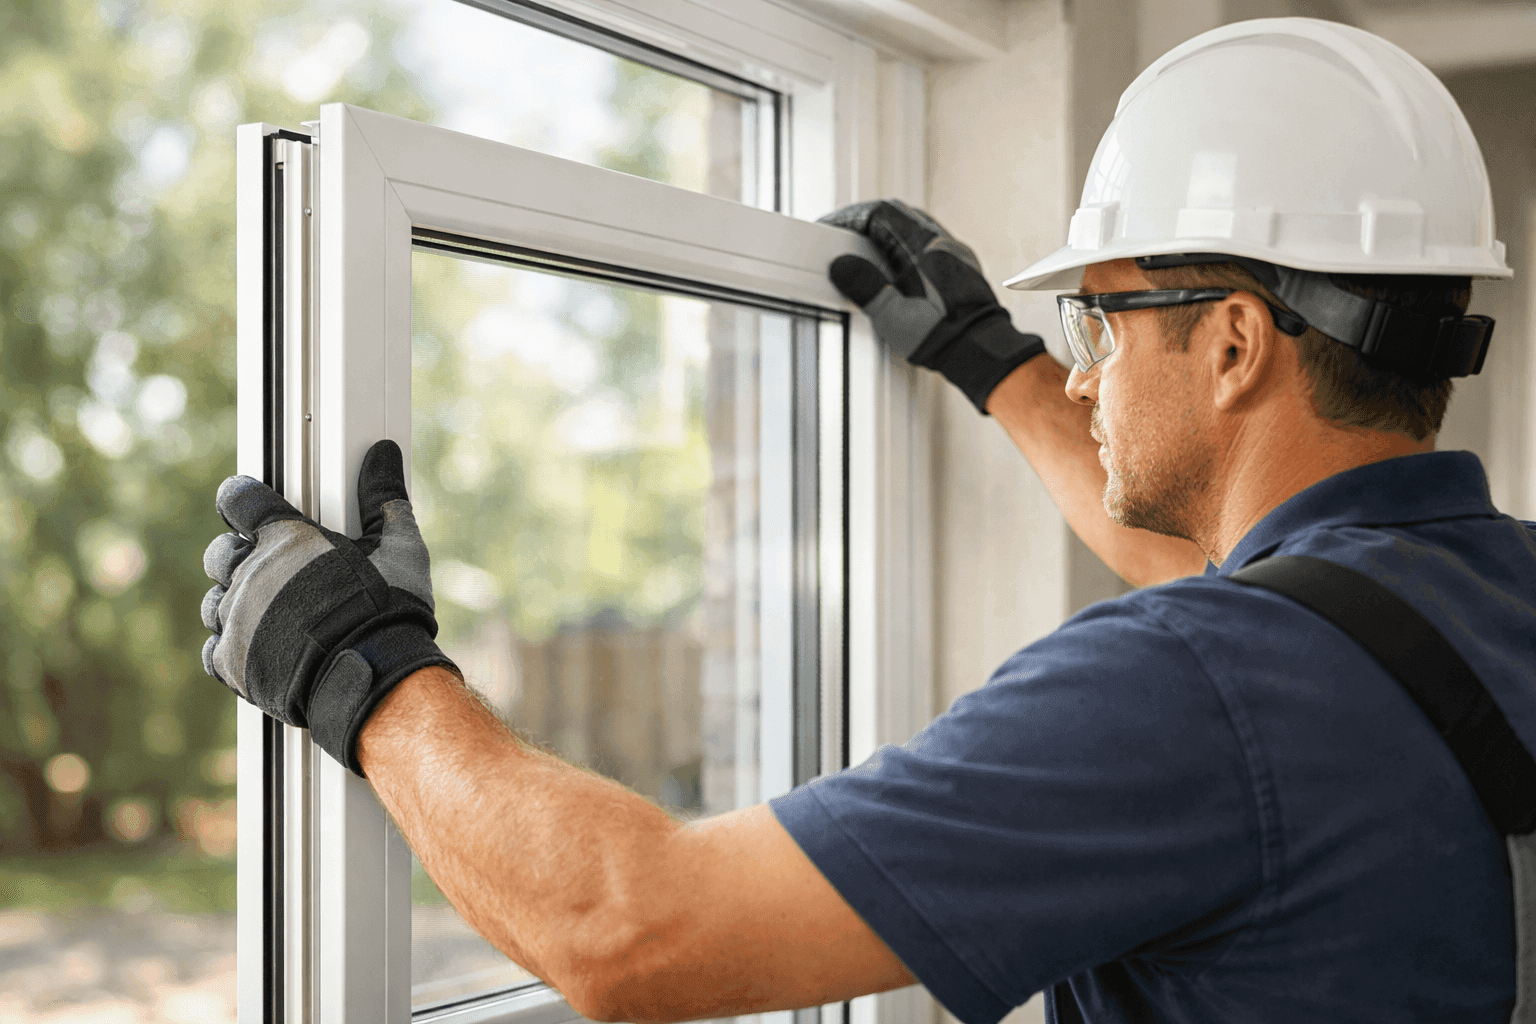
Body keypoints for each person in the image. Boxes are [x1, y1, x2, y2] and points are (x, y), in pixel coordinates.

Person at [199, 18, 1536, 1024]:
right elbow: (1267, 587)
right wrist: (987, 356)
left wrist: (360, 670)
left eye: (1101, 320)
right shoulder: (1476, 594)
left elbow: (632, 928)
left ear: (1237, 343)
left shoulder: (1196, 687)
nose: (1082, 371)